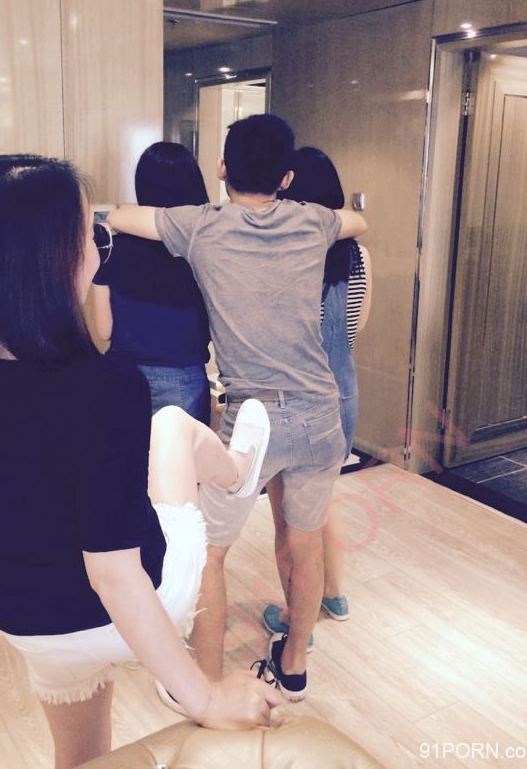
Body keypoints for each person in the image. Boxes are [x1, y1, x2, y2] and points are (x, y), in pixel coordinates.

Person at [0, 154, 280, 769]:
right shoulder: (105, 385)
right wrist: (203, 696)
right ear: (53, 260)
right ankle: (235, 477)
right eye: (89, 237)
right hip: (141, 599)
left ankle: (233, 478)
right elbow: (115, 576)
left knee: (79, 758)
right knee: (172, 427)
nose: (99, 253)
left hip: (23, 617)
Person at [107, 114, 367, 703]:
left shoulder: (201, 225)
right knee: (305, 542)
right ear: (287, 176)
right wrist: (311, 210)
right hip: (321, 413)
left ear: (222, 168)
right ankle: (294, 667)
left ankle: (204, 681)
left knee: (207, 552)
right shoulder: (313, 221)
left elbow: (121, 216)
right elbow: (358, 219)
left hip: (257, 421)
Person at [262, 147, 372, 642]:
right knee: (323, 502)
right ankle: (335, 595)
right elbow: (355, 327)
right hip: (343, 392)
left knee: (289, 522)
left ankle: (296, 623)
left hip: (297, 399)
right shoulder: (359, 255)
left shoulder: (286, 257)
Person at [90, 142, 212, 424]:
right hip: (184, 377)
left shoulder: (111, 248)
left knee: (127, 453)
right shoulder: (202, 249)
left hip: (123, 375)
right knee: (183, 453)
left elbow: (103, 330)